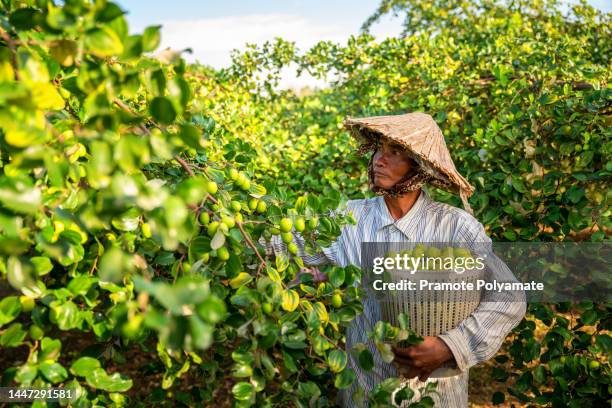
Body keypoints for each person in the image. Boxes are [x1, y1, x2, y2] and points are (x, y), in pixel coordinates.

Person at [268, 111, 527, 407]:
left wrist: (449, 346)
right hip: (364, 394)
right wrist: (215, 213)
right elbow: (278, 244)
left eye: (396, 152)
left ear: (420, 167)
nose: (379, 159)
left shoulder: (455, 228)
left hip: (438, 398)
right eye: (379, 149)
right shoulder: (348, 221)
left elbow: (509, 297)